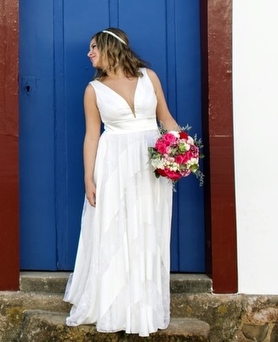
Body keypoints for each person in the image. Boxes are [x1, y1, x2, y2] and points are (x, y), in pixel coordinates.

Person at [63, 27, 180, 337]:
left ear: (110, 48)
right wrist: (89, 177)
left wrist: (182, 149)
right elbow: (92, 135)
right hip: (113, 163)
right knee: (115, 227)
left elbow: (165, 117)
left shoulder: (148, 77)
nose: (89, 54)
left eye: (94, 48)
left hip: (150, 162)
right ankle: (113, 302)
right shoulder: (94, 90)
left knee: (146, 226)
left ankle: (144, 303)